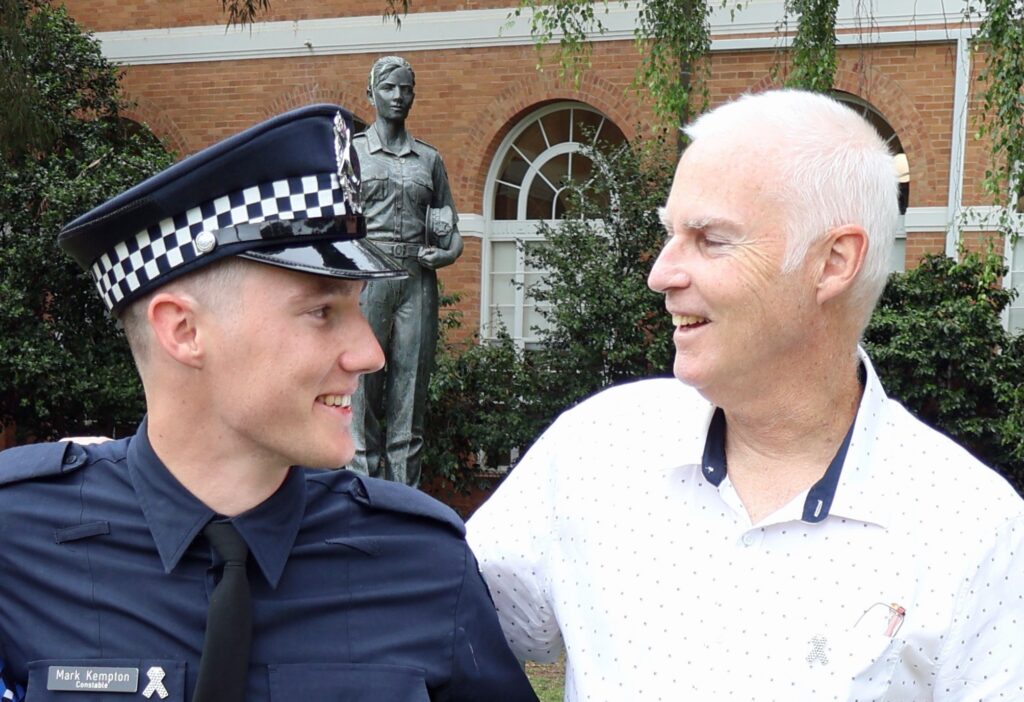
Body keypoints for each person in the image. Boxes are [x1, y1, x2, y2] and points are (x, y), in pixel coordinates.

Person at [467, 89, 1024, 700]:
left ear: (833, 262)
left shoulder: (973, 532)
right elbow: (435, 627)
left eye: (710, 239)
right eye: (670, 233)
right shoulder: (594, 451)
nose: (661, 273)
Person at [0, 104, 538, 702]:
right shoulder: (17, 542)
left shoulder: (424, 568)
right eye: (321, 311)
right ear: (182, 331)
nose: (369, 353)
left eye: (359, 307)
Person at [349, 55, 463, 487]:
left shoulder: (429, 160)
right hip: (369, 276)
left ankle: (402, 499)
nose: (399, 97)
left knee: (409, 392)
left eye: (406, 89)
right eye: (389, 88)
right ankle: (360, 494)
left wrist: (447, 254)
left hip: (417, 280)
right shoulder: (353, 154)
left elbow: (452, 232)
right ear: (372, 93)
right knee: (361, 390)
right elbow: (334, 227)